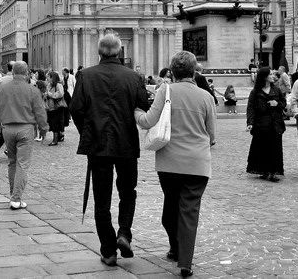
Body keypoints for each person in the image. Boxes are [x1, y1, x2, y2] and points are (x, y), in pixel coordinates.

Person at [134, 50, 216, 278]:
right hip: (197, 165)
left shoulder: (165, 90)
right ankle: (185, 262)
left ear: (172, 71)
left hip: (169, 164)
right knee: (189, 212)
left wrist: (137, 112)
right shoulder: (206, 97)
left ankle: (176, 247)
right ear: (194, 71)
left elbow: (149, 121)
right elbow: (212, 135)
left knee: (170, 210)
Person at [70, 33, 149, 267]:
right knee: (128, 191)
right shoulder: (134, 77)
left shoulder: (86, 76)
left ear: (99, 52)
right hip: (126, 143)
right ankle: (124, 233)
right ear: (120, 51)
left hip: (98, 144)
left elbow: (75, 108)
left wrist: (88, 129)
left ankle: (108, 250)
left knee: (101, 199)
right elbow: (143, 107)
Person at [0, 61, 48, 210]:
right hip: (25, 129)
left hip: (8, 129)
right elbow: (40, 112)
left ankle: (13, 195)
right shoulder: (32, 90)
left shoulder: (3, 89)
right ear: (26, 73)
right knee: (22, 164)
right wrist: (43, 130)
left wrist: (0, 126)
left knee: (12, 162)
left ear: (13, 72)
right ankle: (16, 198)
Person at [246, 67, 286, 181]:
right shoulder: (255, 92)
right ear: (264, 77)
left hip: (275, 123)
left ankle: (273, 171)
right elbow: (251, 108)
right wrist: (250, 122)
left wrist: (276, 103)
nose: (273, 76)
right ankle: (264, 170)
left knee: (275, 148)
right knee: (262, 148)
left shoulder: (276, 90)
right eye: (270, 74)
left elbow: (283, 103)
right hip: (261, 124)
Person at [45, 72, 66, 146]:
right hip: (51, 107)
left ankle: (55, 140)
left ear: (52, 77)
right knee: (52, 123)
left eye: (49, 77)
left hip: (57, 107)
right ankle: (58, 136)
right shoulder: (49, 85)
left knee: (55, 123)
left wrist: (49, 94)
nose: (47, 78)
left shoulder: (58, 85)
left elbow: (60, 94)